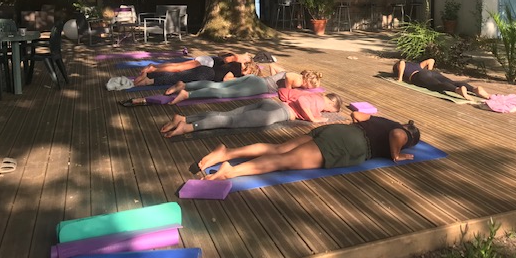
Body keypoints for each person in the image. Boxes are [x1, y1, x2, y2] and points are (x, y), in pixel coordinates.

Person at [196, 111, 421, 181]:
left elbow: (357, 114)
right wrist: (397, 155)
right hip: (348, 143)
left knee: (278, 148)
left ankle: (227, 152)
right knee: (283, 161)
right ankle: (230, 171)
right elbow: (397, 135)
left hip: (338, 130)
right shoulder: (402, 132)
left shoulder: (384, 119)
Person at [159, 88, 343, 138]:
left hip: (270, 104)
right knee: (231, 121)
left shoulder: (313, 94)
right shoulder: (320, 101)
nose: (328, 111)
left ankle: (183, 118)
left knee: (227, 115)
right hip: (279, 113)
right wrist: (314, 119)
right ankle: (188, 127)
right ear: (331, 103)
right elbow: (302, 103)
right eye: (331, 109)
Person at [165, 69, 323, 105]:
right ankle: (187, 94)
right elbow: (287, 80)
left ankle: (184, 85)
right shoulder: (297, 79)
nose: (308, 88)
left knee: (218, 85)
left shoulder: (294, 73)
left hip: (255, 79)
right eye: (310, 86)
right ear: (308, 80)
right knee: (223, 93)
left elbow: (274, 66)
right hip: (260, 86)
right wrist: (289, 90)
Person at [133, 52, 252, 86]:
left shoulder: (236, 64)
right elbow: (227, 77)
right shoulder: (237, 64)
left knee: (177, 67)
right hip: (208, 63)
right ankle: (153, 69)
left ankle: (153, 69)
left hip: (209, 61)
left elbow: (223, 58)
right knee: (178, 69)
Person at [393, 58, 490, 100]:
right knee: (452, 81)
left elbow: (401, 62)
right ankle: (474, 89)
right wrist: (429, 72)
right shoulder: (417, 65)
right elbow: (431, 60)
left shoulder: (402, 65)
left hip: (419, 75)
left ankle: (457, 90)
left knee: (437, 85)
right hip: (430, 72)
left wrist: (400, 78)